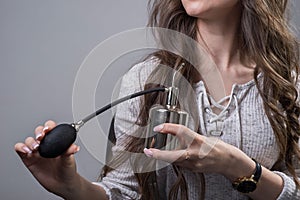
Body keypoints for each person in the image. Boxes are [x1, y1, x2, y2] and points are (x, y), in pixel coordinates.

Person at [14, 0, 300, 199]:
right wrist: (72, 187)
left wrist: (237, 167)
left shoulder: (289, 84)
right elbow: (124, 193)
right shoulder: (145, 79)